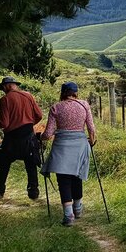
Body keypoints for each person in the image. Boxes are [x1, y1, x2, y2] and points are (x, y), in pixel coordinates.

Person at [41, 81, 96, 226]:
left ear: (63, 92)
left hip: (62, 146)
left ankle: (68, 215)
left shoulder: (56, 107)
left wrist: (40, 137)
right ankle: (77, 208)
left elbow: (48, 134)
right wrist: (92, 141)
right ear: (75, 92)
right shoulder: (84, 105)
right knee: (76, 176)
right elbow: (91, 129)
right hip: (79, 144)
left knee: (63, 179)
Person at [0, 76, 43, 199]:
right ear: (15, 85)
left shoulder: (4, 100)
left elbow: (4, 124)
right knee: (30, 164)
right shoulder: (28, 96)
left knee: (2, 164)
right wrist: (29, 124)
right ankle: (33, 193)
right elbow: (39, 115)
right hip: (29, 136)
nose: (3, 90)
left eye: (3, 88)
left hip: (12, 139)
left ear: (7, 86)